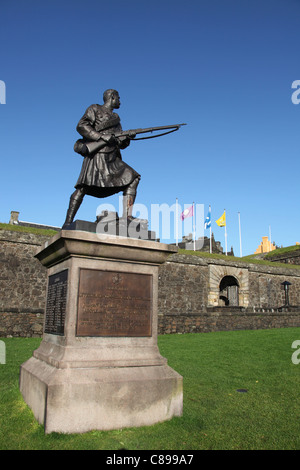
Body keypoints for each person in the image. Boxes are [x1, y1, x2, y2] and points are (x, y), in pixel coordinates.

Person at [62, 89, 140, 228]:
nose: (120, 101)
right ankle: (68, 222)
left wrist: (127, 137)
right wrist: (100, 136)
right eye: (118, 98)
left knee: (133, 178)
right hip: (97, 155)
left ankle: (127, 217)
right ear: (112, 97)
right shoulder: (95, 109)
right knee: (83, 188)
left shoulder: (116, 118)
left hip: (112, 158)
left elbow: (120, 142)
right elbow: (81, 126)